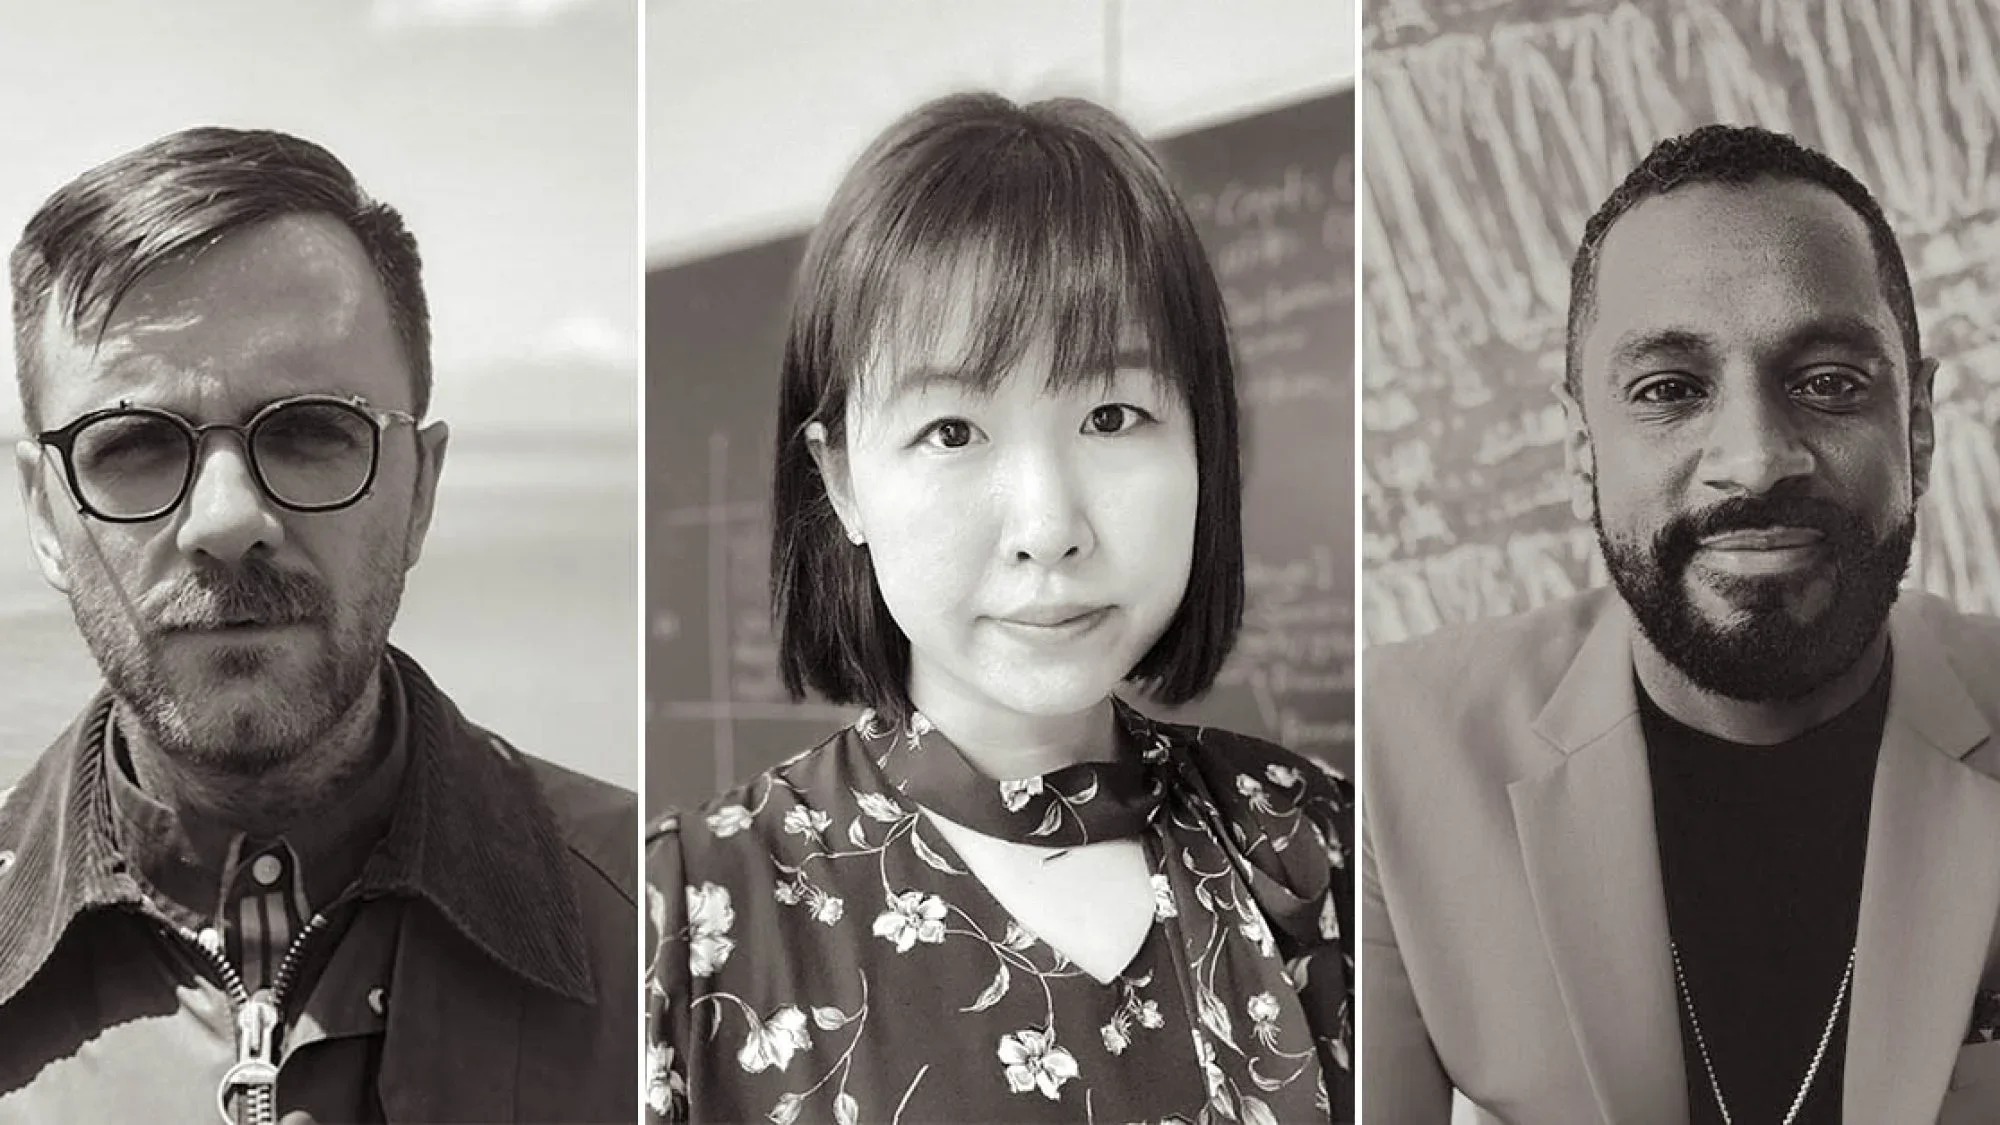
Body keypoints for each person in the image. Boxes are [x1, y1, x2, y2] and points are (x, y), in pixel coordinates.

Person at [644, 93, 1354, 1124]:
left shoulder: (1317, 840)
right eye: (950, 430)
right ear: (841, 481)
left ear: (1203, 443)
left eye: (1111, 416)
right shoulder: (681, 917)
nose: (1047, 526)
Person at [1362, 123, 2000, 1123]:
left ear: (1915, 426)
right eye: (1667, 390)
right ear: (1581, 448)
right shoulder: (1393, 752)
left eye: (1827, 382)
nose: (1751, 458)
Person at [0, 128, 635, 1123]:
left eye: (308, 432)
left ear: (420, 489)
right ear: (44, 512)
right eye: (130, 446)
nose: (226, 522)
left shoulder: (668, 937)